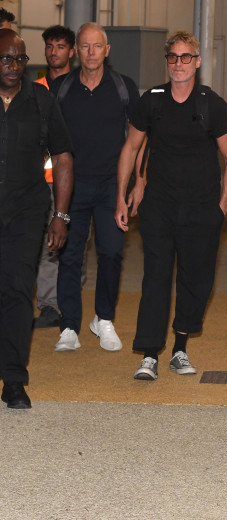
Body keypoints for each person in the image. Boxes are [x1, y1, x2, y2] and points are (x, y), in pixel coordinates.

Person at [115, 31, 227, 381]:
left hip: (201, 209)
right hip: (159, 206)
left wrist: (222, 207)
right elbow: (131, 148)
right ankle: (150, 354)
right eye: (173, 57)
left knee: (195, 280)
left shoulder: (212, 104)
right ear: (166, 61)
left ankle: (180, 348)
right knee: (155, 277)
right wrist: (122, 195)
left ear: (197, 62)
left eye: (186, 57)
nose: (179, 64)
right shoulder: (152, 101)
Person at [50, 22, 139, 353]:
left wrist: (136, 182)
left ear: (107, 50)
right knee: (70, 255)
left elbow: (138, 139)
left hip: (110, 187)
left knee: (112, 252)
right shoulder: (61, 88)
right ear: (76, 51)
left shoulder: (123, 87)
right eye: (84, 46)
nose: (90, 53)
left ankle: (103, 319)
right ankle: (70, 325)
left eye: (96, 46)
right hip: (71, 188)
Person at [0, 29, 73, 408]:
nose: (14, 67)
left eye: (20, 59)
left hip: (26, 213)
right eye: (6, 59)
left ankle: (13, 378)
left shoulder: (41, 99)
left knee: (16, 291)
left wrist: (60, 214)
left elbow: (62, 157)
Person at [32, 25, 76, 329]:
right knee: (47, 243)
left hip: (73, 176)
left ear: (70, 51)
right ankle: (49, 304)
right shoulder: (35, 88)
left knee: (75, 245)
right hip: (40, 178)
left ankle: (69, 298)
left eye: (60, 46)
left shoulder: (81, 87)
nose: (53, 51)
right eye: (49, 46)